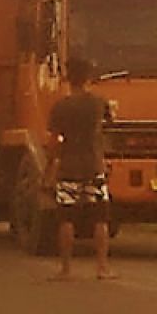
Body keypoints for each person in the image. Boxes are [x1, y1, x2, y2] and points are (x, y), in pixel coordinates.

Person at [46, 57, 116, 280]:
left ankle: (66, 269)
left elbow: (54, 140)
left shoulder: (60, 106)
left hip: (69, 166)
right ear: (87, 78)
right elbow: (110, 123)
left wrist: (51, 165)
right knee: (100, 218)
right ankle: (102, 267)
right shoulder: (98, 102)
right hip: (94, 166)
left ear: (68, 77)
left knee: (66, 218)